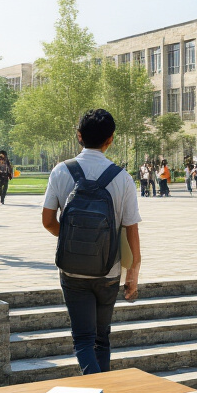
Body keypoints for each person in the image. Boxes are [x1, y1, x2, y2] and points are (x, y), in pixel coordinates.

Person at [41, 109, 142, 375]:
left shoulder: (61, 171)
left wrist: (74, 240)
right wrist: (133, 274)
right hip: (109, 271)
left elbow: (48, 221)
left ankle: (97, 390)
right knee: (101, 338)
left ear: (79, 136)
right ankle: (102, 391)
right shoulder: (122, 178)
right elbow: (131, 231)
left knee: (83, 340)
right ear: (110, 139)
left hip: (72, 270)